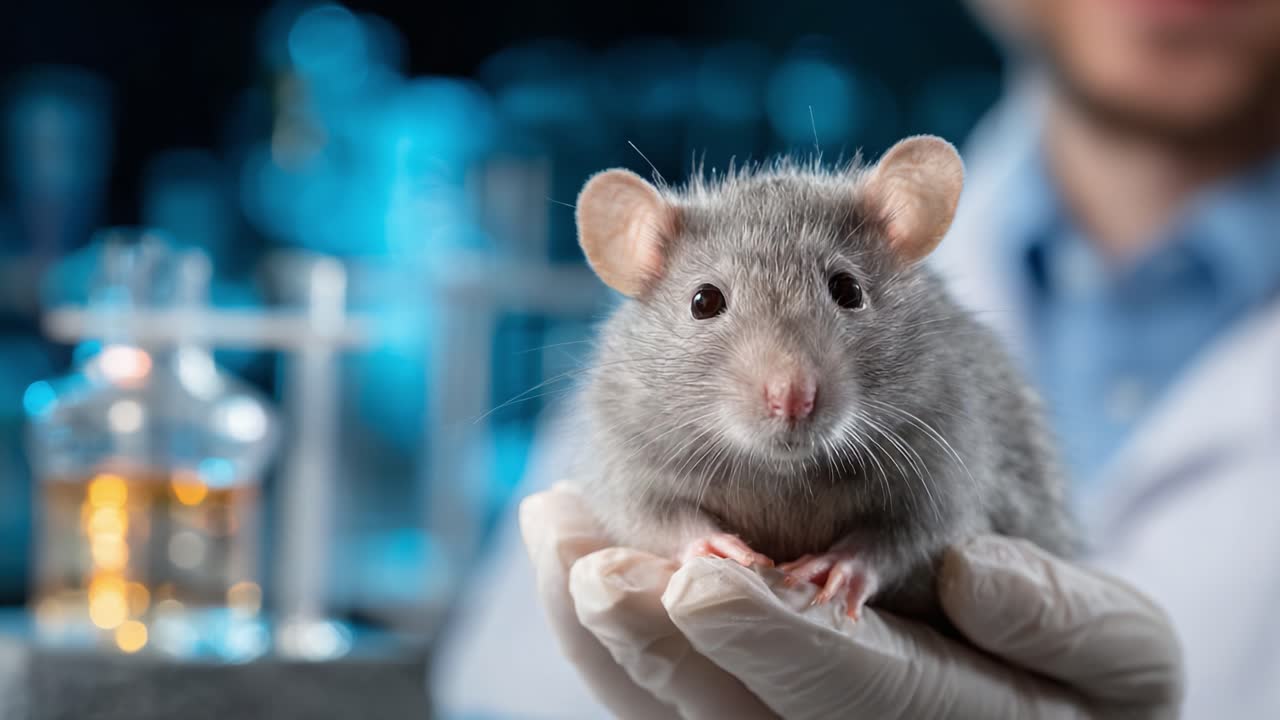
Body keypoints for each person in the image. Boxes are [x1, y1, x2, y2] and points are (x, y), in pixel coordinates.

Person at [434, 0, 1280, 716]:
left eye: (842, 295)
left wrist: (868, 558)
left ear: (910, 218)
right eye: (709, 305)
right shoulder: (641, 355)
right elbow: (504, 680)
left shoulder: (932, 334)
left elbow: (931, 510)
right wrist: (683, 540)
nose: (789, 388)